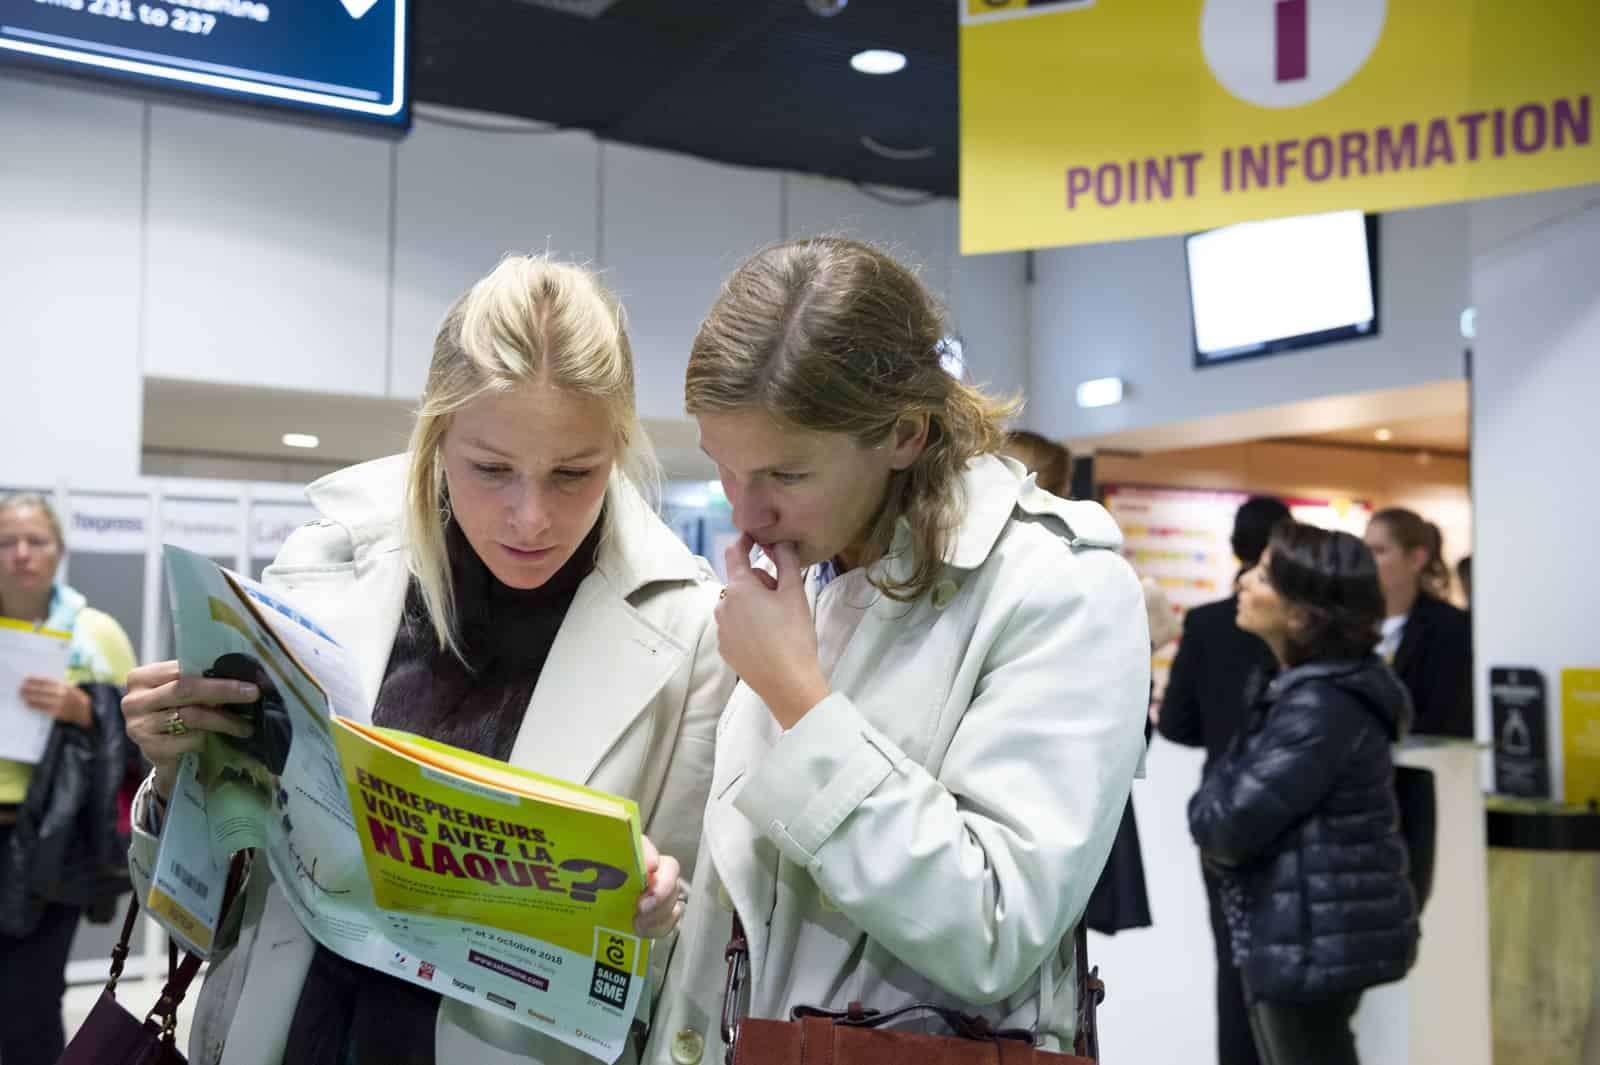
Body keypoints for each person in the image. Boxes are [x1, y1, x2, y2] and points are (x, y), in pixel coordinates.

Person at [120, 256, 737, 1065]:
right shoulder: (323, 565)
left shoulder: (689, 632)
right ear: (437, 438)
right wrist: (177, 777)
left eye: (574, 473)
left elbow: (685, 971)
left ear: (618, 448)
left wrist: (650, 910)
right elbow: (211, 907)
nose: (530, 517)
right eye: (491, 469)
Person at [647, 236, 1151, 1063]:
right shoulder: (807, 572)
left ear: (906, 434)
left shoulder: (1062, 588)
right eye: (724, 469)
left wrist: (800, 701)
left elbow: (996, 926)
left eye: (786, 475)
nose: (746, 512)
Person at [1188, 521, 1419, 1065]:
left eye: (1265, 576)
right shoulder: (1304, 693)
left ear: (1302, 615)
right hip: (1302, 930)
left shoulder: (1318, 708)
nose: (1244, 581)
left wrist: (1212, 802)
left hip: (1308, 940)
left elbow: (1220, 825)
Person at [0, 492, 137, 1065]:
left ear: (59, 551)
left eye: (36, 541)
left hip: (54, 836)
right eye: (7, 542)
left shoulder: (95, 632)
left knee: (29, 1000)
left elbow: (137, 733)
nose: (21, 554)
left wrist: (85, 709)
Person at [1156, 493, 1288, 1065]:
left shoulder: (1207, 624)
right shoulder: (1299, 630)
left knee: (1234, 965)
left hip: (1226, 811)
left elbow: (1178, 724)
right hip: (1277, 816)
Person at [1364, 508, 1473, 738]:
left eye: (1379, 551)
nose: (1367, 561)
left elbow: (1447, 717)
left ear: (1416, 559)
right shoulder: (1353, 624)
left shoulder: (1452, 628)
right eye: (1365, 551)